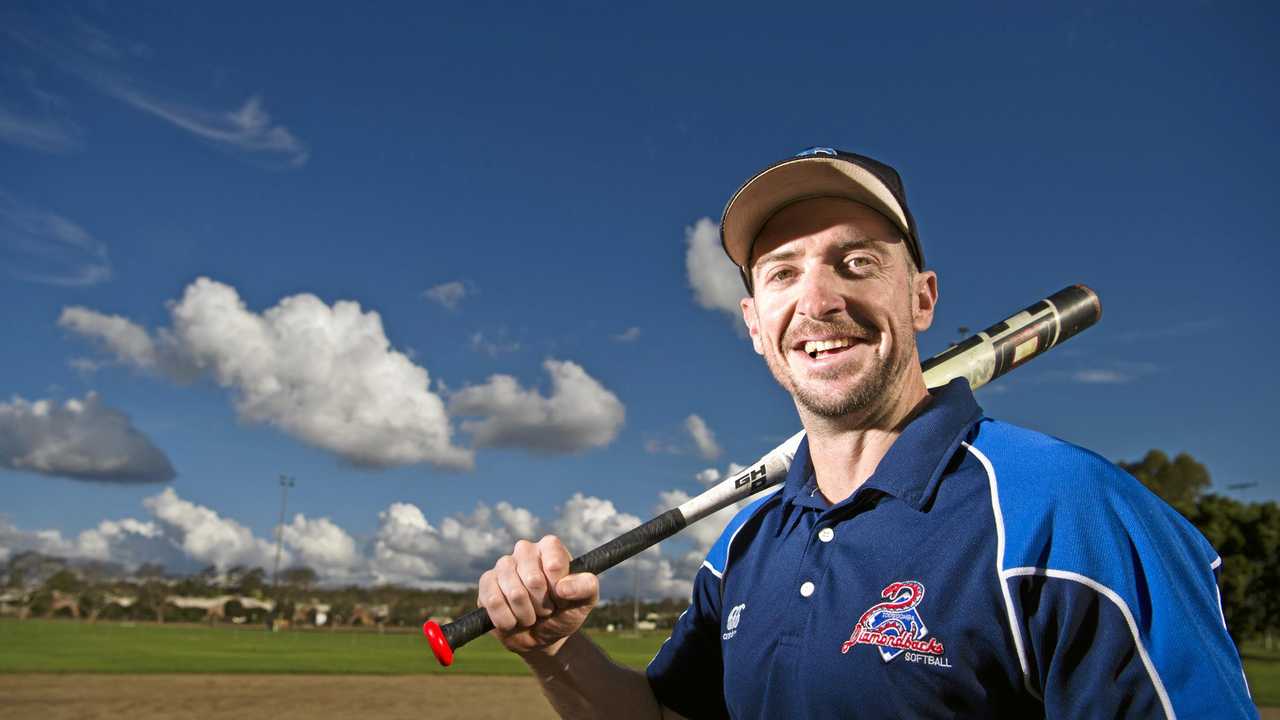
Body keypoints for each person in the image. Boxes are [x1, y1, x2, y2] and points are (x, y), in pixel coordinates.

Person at [475, 148, 1257, 718]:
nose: (817, 300)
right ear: (754, 324)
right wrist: (554, 649)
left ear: (922, 299)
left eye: (854, 262)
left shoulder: (1069, 513)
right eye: (782, 272)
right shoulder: (742, 549)